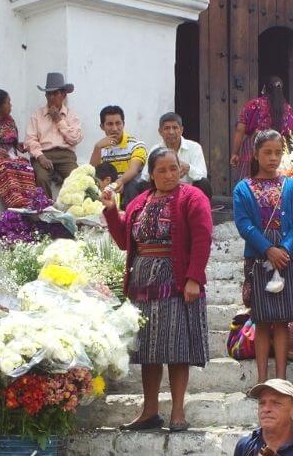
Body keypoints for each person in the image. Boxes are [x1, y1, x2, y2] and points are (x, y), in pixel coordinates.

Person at [102, 147, 212, 432]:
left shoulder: (192, 197)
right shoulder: (139, 202)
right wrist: (111, 210)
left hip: (176, 283)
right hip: (142, 286)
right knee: (148, 349)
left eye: (173, 168)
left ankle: (177, 412)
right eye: (161, 170)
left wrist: (194, 277)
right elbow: (124, 242)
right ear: (151, 174)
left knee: (176, 347)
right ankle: (149, 411)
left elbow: (202, 238)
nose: (169, 175)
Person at [233, 130, 293, 382]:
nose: (273, 158)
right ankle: (262, 380)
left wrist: (284, 249)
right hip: (258, 257)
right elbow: (244, 225)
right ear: (256, 154)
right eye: (267, 152)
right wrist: (268, 249)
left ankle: (281, 380)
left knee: (282, 320)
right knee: (262, 319)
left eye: (278, 152)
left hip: (285, 258)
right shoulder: (243, 189)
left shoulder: (292, 187)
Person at [24, 73, 84, 198]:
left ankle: (73, 209)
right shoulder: (37, 115)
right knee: (41, 178)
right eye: (48, 94)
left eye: (55, 93)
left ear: (63, 95)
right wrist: (40, 157)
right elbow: (30, 140)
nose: (51, 97)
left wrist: (58, 120)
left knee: (76, 178)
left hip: (66, 156)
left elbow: (74, 139)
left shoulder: (72, 115)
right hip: (43, 154)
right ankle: (46, 208)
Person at [230, 76, 293, 182]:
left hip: (253, 147)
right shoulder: (288, 109)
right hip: (276, 147)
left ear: (264, 89)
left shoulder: (254, 104)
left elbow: (240, 129)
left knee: (247, 181)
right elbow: (291, 134)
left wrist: (235, 153)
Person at [142, 112, 213, 199]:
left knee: (204, 183)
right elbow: (145, 176)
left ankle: (203, 207)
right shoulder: (155, 150)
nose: (171, 132)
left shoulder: (194, 147)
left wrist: (188, 168)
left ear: (181, 130)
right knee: (142, 184)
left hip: (188, 193)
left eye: (175, 128)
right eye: (167, 128)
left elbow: (202, 175)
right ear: (160, 132)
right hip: (163, 190)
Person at [91, 105, 148, 209]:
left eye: (118, 123)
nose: (114, 128)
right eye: (110, 124)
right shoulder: (101, 148)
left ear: (123, 124)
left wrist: (119, 182)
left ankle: (131, 216)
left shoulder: (136, 145)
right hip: (109, 191)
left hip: (131, 192)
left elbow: (134, 170)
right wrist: (97, 147)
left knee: (130, 185)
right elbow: (92, 174)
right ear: (102, 126)